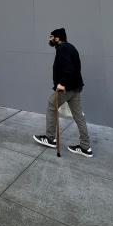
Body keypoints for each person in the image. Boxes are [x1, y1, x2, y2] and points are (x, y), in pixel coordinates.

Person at [33, 28, 93, 157]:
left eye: (51, 37)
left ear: (58, 38)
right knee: (79, 116)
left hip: (66, 88)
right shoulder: (71, 47)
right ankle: (85, 147)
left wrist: (62, 83)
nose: (49, 39)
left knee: (51, 106)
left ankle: (50, 138)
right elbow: (76, 68)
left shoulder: (62, 49)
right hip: (76, 88)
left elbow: (69, 69)